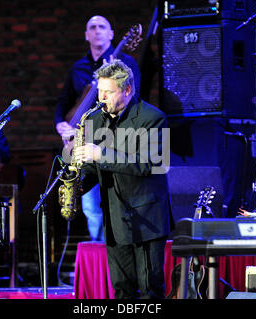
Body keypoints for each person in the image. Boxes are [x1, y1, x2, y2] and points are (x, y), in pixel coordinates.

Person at [74, 59, 173, 299]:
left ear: (127, 90)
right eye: (99, 91)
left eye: (108, 92)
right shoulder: (94, 119)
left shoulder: (153, 118)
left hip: (146, 220)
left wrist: (100, 154)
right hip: (114, 219)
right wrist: (74, 182)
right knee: (121, 291)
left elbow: (152, 164)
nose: (101, 98)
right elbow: (92, 170)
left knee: (151, 290)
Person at [54, 15, 141, 242]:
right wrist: (61, 124)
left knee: (114, 203)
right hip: (82, 142)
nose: (97, 30)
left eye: (102, 26)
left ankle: (113, 250)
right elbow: (64, 101)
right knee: (91, 207)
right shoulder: (78, 68)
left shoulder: (126, 63)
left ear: (111, 34)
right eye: (92, 27)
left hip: (113, 141)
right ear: (86, 35)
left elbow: (134, 100)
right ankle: (99, 255)